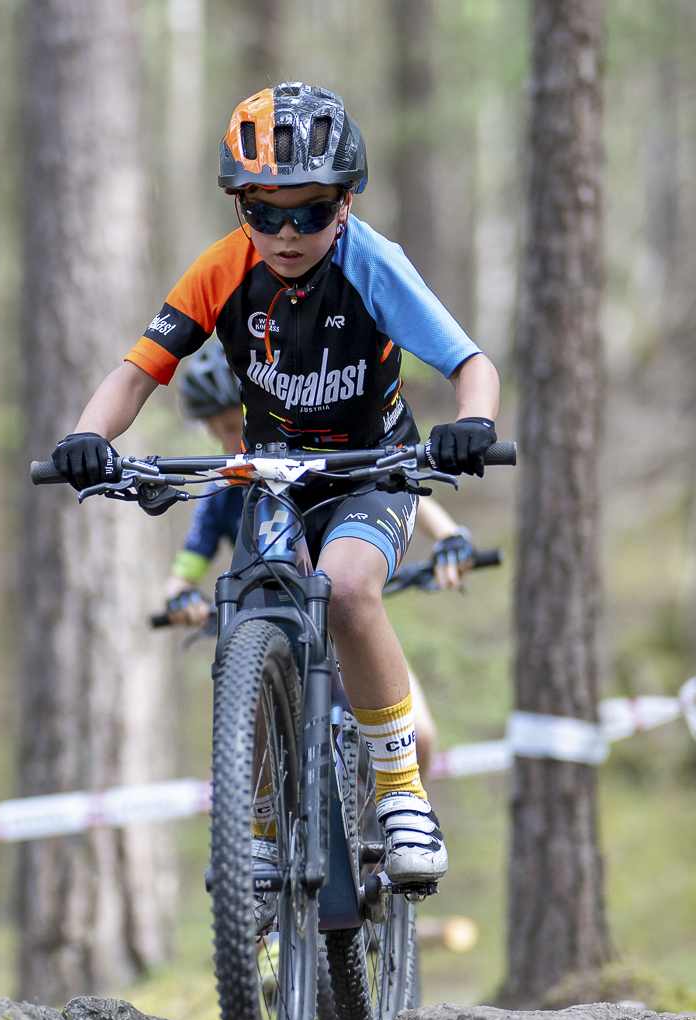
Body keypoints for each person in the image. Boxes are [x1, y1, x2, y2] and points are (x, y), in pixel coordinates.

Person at [48, 82, 501, 886]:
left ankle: (402, 795)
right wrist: (89, 436)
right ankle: (257, 823)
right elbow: (137, 372)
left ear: (346, 203)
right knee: (251, 618)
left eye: (311, 212)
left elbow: (471, 364)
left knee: (349, 590)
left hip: (371, 469)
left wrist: (474, 422)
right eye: (265, 213)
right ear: (239, 207)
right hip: (276, 478)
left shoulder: (372, 265)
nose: (287, 233)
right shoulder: (221, 270)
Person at [162, 344, 477, 781]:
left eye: (234, 426)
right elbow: (185, 568)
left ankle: (395, 815)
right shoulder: (223, 490)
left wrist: (450, 538)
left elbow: (398, 492)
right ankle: (261, 817)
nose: (227, 443)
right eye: (217, 432)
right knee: (251, 747)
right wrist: (181, 596)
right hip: (276, 632)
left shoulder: (310, 460)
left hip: (338, 617)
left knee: (419, 738)